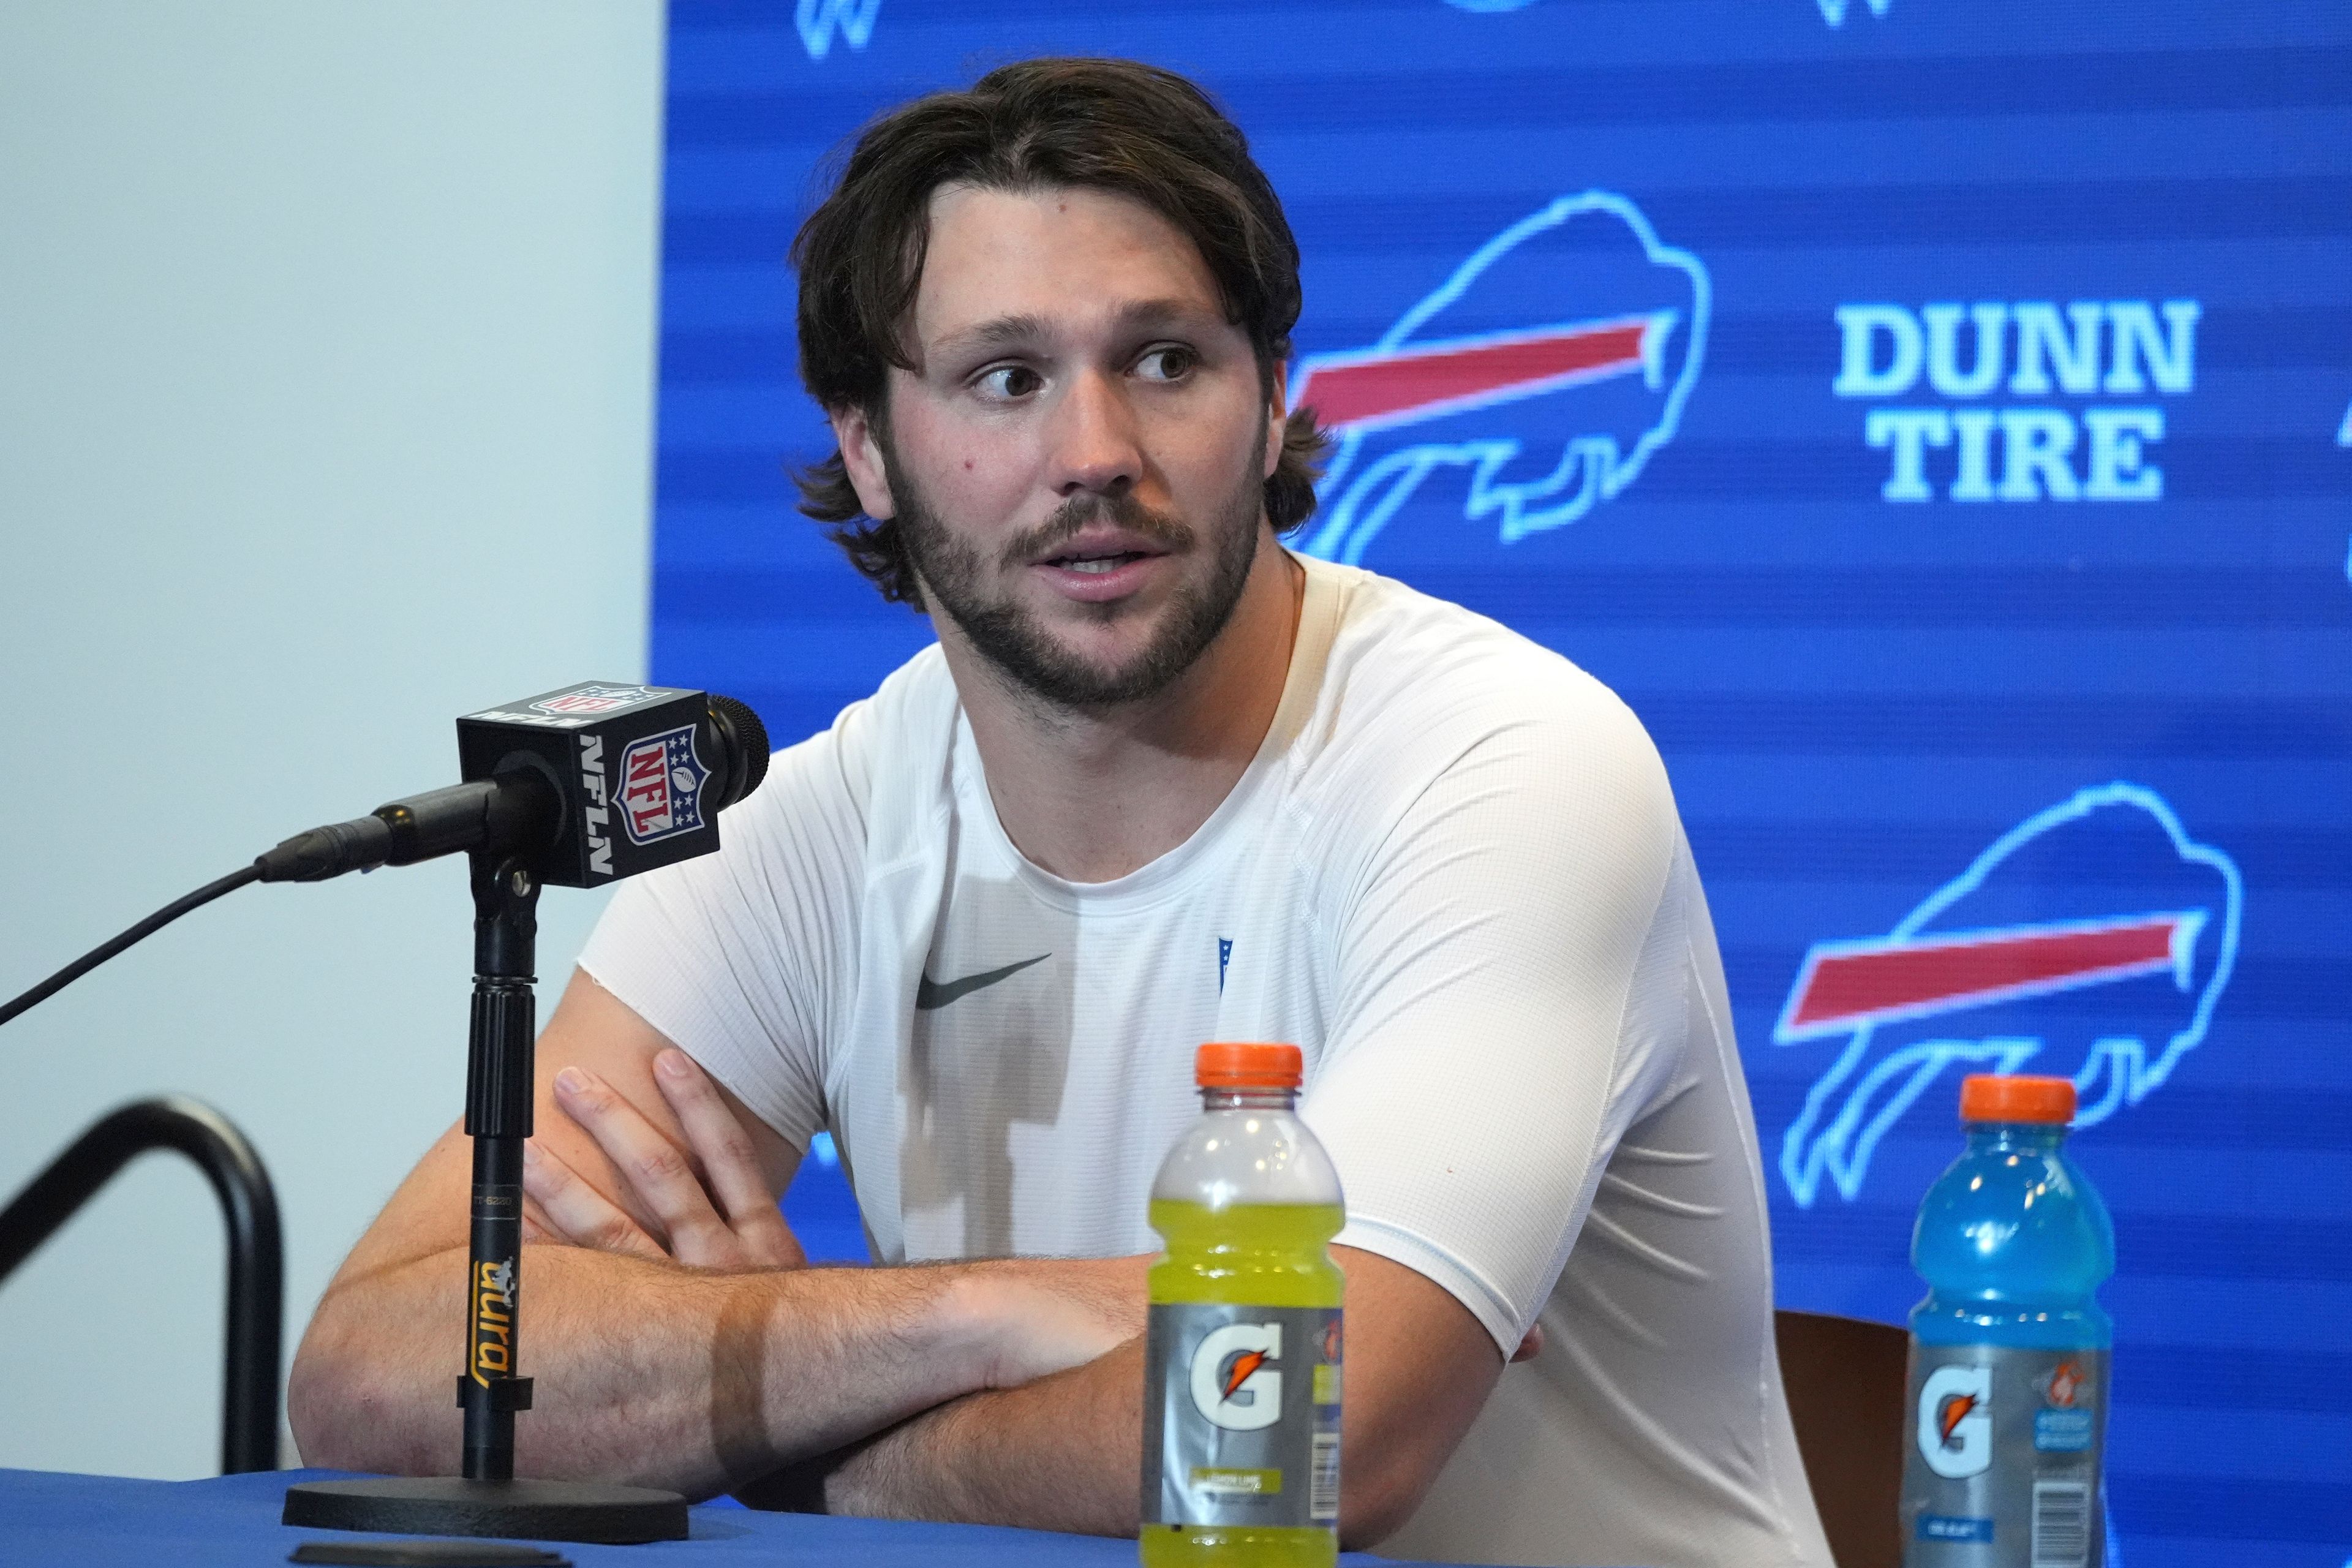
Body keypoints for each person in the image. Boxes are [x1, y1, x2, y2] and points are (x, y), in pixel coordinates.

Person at [290, 57, 1833, 1568]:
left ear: (1273, 391)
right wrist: (975, 1311)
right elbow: (374, 1374)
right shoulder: (820, 824)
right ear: (867, 446)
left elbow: (1308, 1437)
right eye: (1005, 378)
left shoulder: (1504, 765)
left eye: (1164, 359)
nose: (1094, 453)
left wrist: (787, 1443)